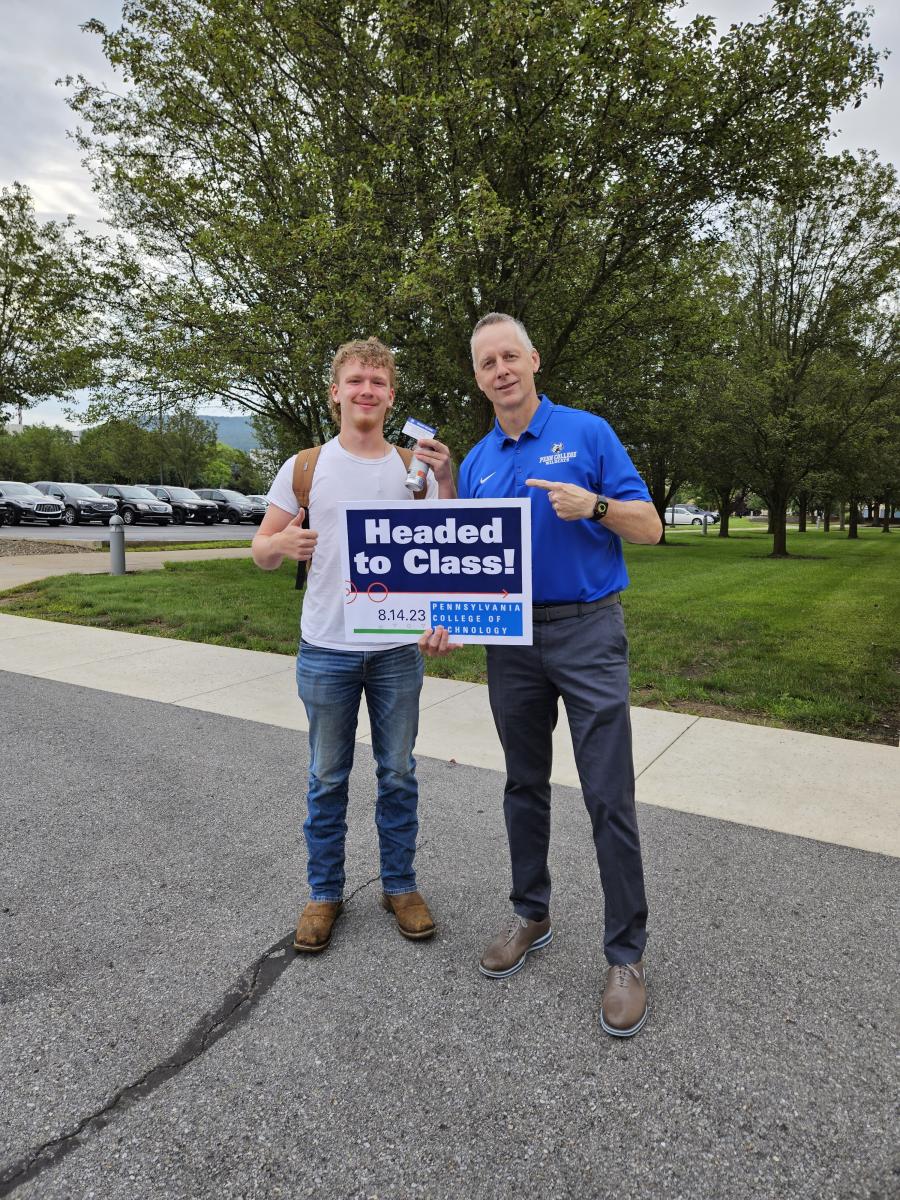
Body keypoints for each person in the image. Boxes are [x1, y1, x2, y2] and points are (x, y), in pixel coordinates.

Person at [421, 313, 662, 1037]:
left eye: (509, 356)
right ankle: (532, 913)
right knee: (523, 784)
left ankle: (626, 955)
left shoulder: (587, 432)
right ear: (478, 377)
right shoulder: (483, 458)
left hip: (588, 631)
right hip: (514, 643)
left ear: (534, 359)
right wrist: (448, 614)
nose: (500, 369)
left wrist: (592, 504)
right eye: (486, 362)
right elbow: (471, 552)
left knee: (607, 794)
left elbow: (649, 526)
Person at [253, 337, 455, 953]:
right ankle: (324, 893)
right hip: (326, 647)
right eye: (356, 380)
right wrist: (281, 546)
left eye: (378, 381)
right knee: (325, 777)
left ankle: (400, 885)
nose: (367, 390)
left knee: (398, 773)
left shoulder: (411, 468)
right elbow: (261, 551)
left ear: (391, 396)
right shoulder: (305, 466)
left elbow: (445, 546)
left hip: (396, 650)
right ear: (336, 390)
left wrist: (444, 479)